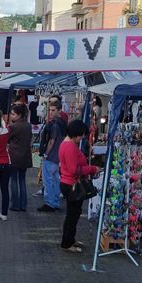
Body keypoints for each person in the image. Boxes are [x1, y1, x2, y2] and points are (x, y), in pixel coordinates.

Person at [59, 119, 99, 253]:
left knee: (74, 213)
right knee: (72, 214)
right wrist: (91, 169)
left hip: (69, 183)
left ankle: (70, 239)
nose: (81, 138)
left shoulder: (66, 144)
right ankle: (67, 242)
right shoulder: (70, 146)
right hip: (72, 184)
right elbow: (73, 169)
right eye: (80, 135)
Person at [38, 102, 66, 212]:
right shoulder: (62, 123)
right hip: (57, 156)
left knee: (48, 180)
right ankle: (55, 202)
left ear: (59, 110)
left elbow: (51, 140)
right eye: (50, 110)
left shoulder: (54, 124)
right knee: (55, 180)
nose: (50, 112)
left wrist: (46, 154)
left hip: (51, 156)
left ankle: (50, 203)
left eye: (53, 110)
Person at [6, 104, 32, 212]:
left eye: (13, 114)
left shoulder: (13, 127)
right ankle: (23, 204)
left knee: (14, 180)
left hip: (14, 155)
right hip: (25, 155)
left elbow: (7, 139)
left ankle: (15, 204)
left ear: (19, 115)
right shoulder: (28, 126)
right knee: (22, 180)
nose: (11, 116)